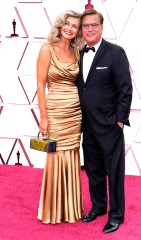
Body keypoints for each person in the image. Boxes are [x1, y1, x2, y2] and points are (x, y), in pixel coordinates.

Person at [76, 9, 133, 233]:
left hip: (109, 124)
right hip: (87, 124)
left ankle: (116, 215)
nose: (89, 29)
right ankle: (98, 207)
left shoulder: (115, 53)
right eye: (85, 26)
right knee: (93, 170)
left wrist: (119, 119)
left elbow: (125, 89)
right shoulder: (79, 53)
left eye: (94, 25)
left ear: (101, 27)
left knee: (114, 171)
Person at [36, 10, 85, 224]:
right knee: (55, 155)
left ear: (78, 30)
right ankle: (53, 210)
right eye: (67, 24)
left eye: (75, 26)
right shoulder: (47, 49)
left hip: (75, 112)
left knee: (72, 155)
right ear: (60, 24)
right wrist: (43, 117)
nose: (70, 28)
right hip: (55, 110)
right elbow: (40, 84)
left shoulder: (78, 51)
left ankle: (71, 208)